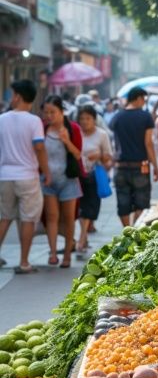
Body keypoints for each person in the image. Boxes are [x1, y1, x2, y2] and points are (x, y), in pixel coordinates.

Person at [0, 80, 51, 274]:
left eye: (11, 94)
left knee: (5, 217)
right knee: (28, 219)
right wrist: (46, 172)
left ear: (18, 96)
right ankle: (23, 262)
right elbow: (39, 147)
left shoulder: (2, 119)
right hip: (28, 176)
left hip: (5, 176)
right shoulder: (34, 121)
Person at [42, 95, 83, 268]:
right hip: (48, 181)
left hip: (68, 181)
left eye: (53, 112)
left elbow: (78, 154)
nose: (49, 116)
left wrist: (66, 141)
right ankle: (52, 253)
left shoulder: (72, 128)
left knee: (68, 219)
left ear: (61, 112)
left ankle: (67, 254)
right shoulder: (42, 129)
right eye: (46, 112)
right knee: (51, 217)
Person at [110, 86, 158, 226]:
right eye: (143, 99)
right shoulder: (145, 117)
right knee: (141, 203)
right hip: (140, 167)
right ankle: (135, 231)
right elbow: (148, 144)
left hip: (120, 167)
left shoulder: (117, 117)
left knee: (123, 202)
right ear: (138, 98)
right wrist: (155, 166)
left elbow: (115, 142)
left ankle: (127, 231)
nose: (144, 102)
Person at [77, 105, 113, 256]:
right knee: (80, 208)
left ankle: (82, 237)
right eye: (82, 119)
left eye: (88, 118)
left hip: (93, 177)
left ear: (94, 120)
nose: (85, 122)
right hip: (77, 176)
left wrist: (98, 156)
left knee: (89, 208)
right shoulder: (76, 133)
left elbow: (108, 158)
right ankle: (82, 238)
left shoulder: (102, 135)